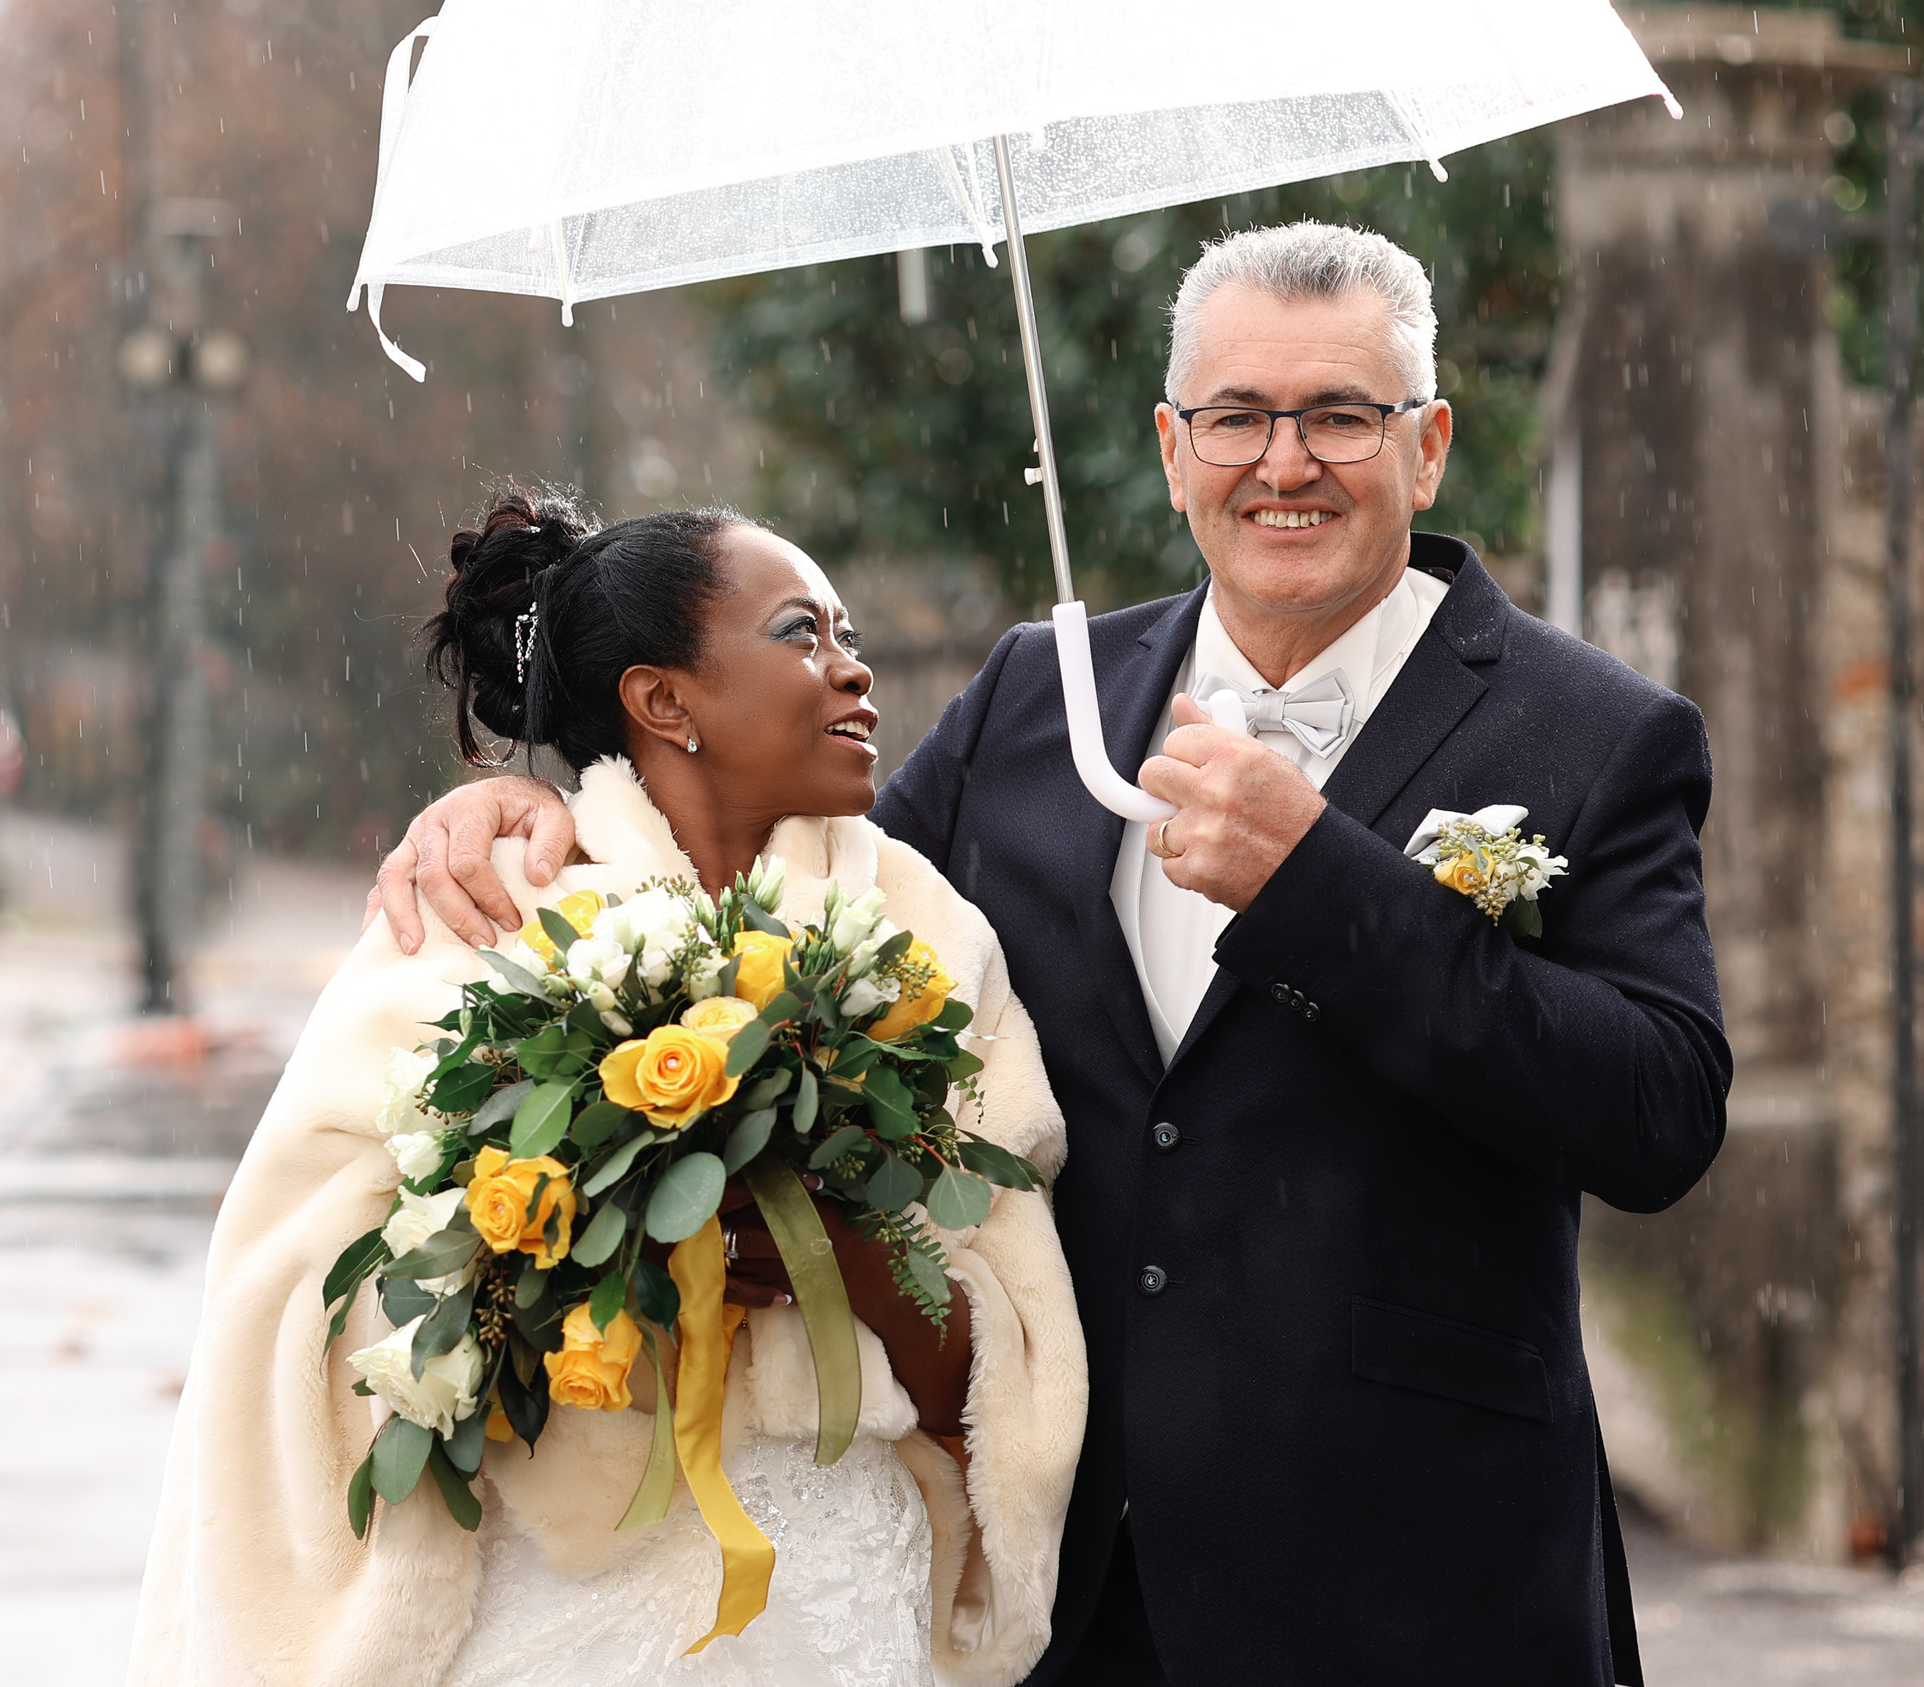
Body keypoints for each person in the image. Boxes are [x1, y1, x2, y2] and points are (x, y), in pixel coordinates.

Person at [370, 223, 1730, 1686]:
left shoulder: (1594, 733)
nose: (1285, 463)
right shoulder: (1041, 694)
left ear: (1430, 445)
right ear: (1169, 446)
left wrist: (1327, 884)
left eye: (1342, 414)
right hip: (1081, 1588)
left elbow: (1657, 1110)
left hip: (1421, 1577)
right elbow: (777, 907)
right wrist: (544, 794)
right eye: (1235, 417)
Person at [130, 494, 1087, 1687]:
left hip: (843, 1597)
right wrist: (555, 1242)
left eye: (846, 633)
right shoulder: (476, 917)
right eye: (801, 632)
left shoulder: (929, 939)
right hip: (553, 1604)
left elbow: (1004, 1362)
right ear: (662, 699)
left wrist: (837, 1243)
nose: (853, 669)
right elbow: (292, 1292)